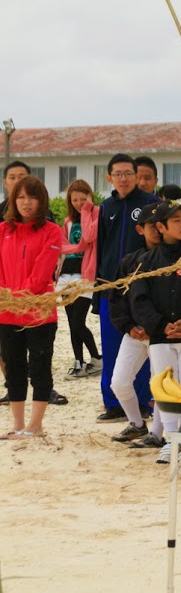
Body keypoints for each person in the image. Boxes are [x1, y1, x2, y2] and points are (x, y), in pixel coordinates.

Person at [130, 199, 181, 465]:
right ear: (161, 227)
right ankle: (170, 438)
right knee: (164, 387)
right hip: (159, 337)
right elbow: (139, 299)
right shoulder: (146, 262)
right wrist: (160, 324)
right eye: (176, 220)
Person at [95, 153, 158, 423]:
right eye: (117, 174)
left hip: (141, 288)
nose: (123, 178)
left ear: (136, 175)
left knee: (141, 343)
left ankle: (143, 401)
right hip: (111, 287)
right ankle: (113, 404)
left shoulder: (149, 204)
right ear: (109, 177)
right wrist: (98, 290)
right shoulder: (106, 207)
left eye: (128, 173)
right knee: (110, 347)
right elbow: (101, 247)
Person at [0, 176, 61, 439]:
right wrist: (7, 296)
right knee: (13, 367)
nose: (26, 203)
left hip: (40, 312)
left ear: (41, 201)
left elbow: (42, 272)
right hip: (7, 311)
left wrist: (20, 294)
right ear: (14, 200)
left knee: (39, 366)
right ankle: (17, 424)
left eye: (32, 197)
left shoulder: (52, 231)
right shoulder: (3, 230)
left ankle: (35, 425)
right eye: (21, 197)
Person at [109, 202, 164, 445]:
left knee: (160, 384)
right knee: (119, 381)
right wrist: (129, 326)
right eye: (150, 226)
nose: (155, 230)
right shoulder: (129, 262)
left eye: (158, 225)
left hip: (162, 333)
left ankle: (158, 433)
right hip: (135, 332)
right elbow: (118, 299)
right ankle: (137, 424)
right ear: (140, 229)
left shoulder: (176, 258)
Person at [59, 179, 103, 379]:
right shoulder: (67, 221)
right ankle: (79, 362)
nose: (78, 203)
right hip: (66, 275)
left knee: (78, 322)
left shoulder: (96, 214)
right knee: (70, 322)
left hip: (85, 275)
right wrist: (77, 247)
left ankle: (96, 358)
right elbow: (62, 246)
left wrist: (86, 210)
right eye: (74, 199)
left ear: (90, 196)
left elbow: (89, 236)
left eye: (83, 199)